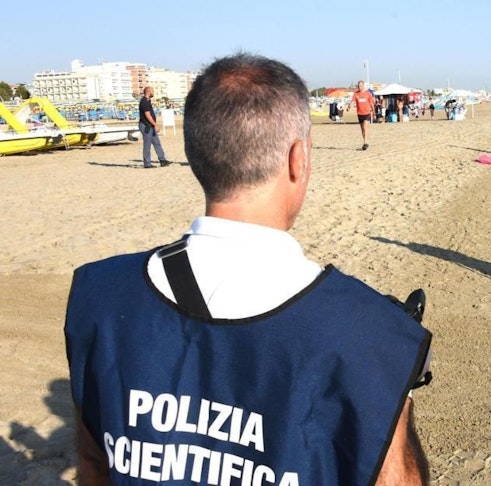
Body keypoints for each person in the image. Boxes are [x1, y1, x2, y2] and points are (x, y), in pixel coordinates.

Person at [65, 53, 434, 486]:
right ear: (299, 159)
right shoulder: (369, 331)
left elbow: (94, 465)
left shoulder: (100, 295)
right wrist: (393, 389)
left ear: (198, 155)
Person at [138, 86, 171, 168]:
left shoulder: (148, 101)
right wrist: (155, 125)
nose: (154, 92)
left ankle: (162, 160)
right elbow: (147, 115)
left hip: (150, 125)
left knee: (157, 143)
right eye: (153, 91)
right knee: (147, 144)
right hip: (146, 126)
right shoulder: (144, 102)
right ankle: (147, 163)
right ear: (148, 91)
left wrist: (154, 125)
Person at [347, 80, 375, 149]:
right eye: (359, 86)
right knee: (362, 129)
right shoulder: (356, 94)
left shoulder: (367, 93)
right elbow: (352, 101)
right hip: (360, 113)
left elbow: (371, 103)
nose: (360, 87)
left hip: (367, 113)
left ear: (363, 86)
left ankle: (365, 142)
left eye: (361, 86)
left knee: (365, 128)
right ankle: (364, 141)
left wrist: (374, 112)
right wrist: (349, 107)